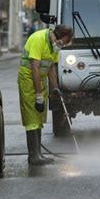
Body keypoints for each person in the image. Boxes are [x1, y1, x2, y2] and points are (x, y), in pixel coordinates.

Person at [18, 24, 73, 166]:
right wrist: (38, 95)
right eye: (62, 42)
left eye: (64, 45)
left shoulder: (55, 46)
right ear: (56, 36)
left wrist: (55, 88)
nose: (61, 46)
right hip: (28, 79)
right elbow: (35, 68)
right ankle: (33, 156)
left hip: (40, 80)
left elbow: (51, 68)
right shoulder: (38, 39)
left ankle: (38, 154)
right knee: (32, 117)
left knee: (39, 115)